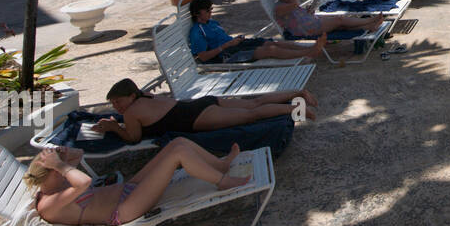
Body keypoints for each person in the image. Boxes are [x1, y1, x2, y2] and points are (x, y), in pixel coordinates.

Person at [25, 140, 249, 226]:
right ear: (48, 175)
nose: (64, 172)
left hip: (130, 190)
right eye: (58, 170)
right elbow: (84, 183)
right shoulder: (48, 204)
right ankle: (224, 182)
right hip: (123, 210)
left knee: (177, 143)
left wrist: (63, 154)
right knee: (178, 155)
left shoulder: (55, 184)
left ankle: (220, 166)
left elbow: (79, 154)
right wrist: (61, 166)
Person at [92, 78, 317, 142]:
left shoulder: (131, 112)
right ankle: (297, 92)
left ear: (132, 96)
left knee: (252, 115)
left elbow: (133, 138)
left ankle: (295, 109)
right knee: (254, 103)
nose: (116, 107)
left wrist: (113, 127)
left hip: (197, 117)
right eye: (113, 103)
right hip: (201, 103)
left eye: (118, 101)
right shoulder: (146, 96)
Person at [188, 0, 316, 62]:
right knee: (269, 50)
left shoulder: (211, 23)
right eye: (207, 11)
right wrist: (226, 46)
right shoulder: (197, 32)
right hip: (226, 55)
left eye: (211, 10)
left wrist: (234, 41)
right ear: (197, 13)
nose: (210, 13)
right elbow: (203, 57)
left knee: (271, 42)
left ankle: (310, 49)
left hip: (234, 45)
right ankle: (305, 53)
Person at [274, 0, 387, 39]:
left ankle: (369, 26)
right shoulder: (280, 7)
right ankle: (371, 20)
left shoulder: (289, 3)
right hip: (308, 29)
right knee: (339, 20)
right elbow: (293, 7)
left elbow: (297, 14)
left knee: (341, 25)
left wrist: (309, 10)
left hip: (312, 23)